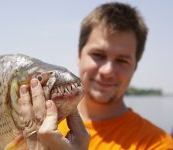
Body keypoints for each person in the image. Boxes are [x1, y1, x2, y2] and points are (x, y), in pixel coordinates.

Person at [21, 2, 173, 150]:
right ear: (79, 55)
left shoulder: (156, 144)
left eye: (122, 60)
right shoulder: (29, 123)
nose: (107, 70)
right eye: (98, 55)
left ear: (135, 67)